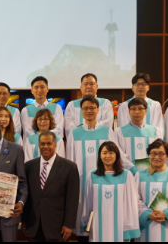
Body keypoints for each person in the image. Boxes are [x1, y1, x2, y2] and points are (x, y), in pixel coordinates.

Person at [65, 95, 118, 240]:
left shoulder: (107, 131)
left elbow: (114, 157)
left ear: (98, 110)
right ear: (81, 111)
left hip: (103, 181)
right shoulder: (74, 133)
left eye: (92, 108)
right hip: (80, 182)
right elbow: (70, 160)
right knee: (83, 216)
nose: (89, 111)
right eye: (85, 108)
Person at [23, 131, 79, 242]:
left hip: (58, 228)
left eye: (49, 143)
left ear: (55, 144)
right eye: (42, 144)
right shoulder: (28, 166)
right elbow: (27, 196)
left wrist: (69, 224)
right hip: (34, 226)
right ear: (39, 145)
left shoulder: (69, 167)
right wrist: (24, 221)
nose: (45, 146)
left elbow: (72, 199)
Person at [79, 141, 140, 242]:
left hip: (120, 225)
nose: (108, 156)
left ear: (117, 155)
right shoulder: (92, 175)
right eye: (105, 152)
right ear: (100, 155)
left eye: (111, 153)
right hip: (98, 226)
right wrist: (85, 222)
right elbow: (88, 202)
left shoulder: (126, 175)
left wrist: (129, 226)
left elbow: (131, 203)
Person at [134, 139, 168, 242]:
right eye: (153, 153)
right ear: (148, 155)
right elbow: (135, 200)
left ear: (167, 156)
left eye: (161, 154)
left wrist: (166, 214)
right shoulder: (140, 175)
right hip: (146, 226)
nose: (157, 157)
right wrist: (147, 214)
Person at [114, 97, 162, 172]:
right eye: (133, 109)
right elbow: (120, 155)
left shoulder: (155, 131)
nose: (137, 112)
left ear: (146, 111)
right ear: (129, 111)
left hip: (151, 173)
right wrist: (133, 170)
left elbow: (159, 152)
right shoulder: (120, 132)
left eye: (140, 109)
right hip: (129, 173)